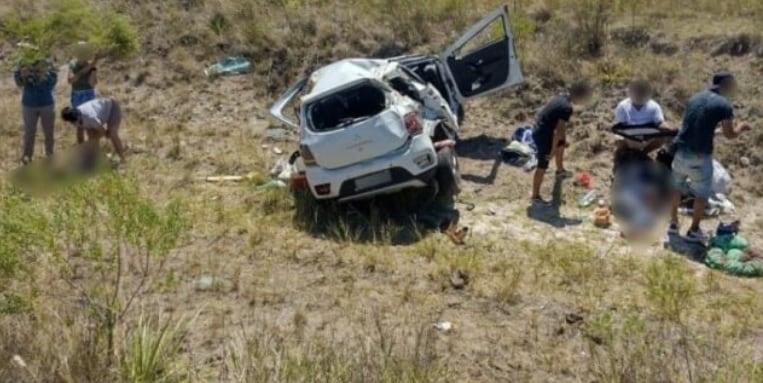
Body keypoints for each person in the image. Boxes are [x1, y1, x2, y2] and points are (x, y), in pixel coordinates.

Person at [668, 72, 752, 243]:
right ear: (726, 84)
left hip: (680, 151)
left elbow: (695, 127)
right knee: (701, 194)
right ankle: (693, 231)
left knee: (676, 188)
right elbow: (730, 134)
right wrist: (741, 127)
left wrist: (718, 132)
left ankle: (673, 224)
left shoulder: (695, 98)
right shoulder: (724, 105)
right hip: (700, 156)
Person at [531, 80, 593, 204]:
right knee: (542, 166)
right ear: (579, 95)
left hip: (542, 129)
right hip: (542, 135)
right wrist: (553, 151)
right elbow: (559, 131)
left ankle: (560, 171)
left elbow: (559, 131)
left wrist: (562, 141)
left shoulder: (561, 97)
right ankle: (535, 197)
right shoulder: (567, 108)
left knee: (562, 143)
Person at [13, 59, 58, 164]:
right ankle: (27, 158)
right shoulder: (22, 62)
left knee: (49, 132)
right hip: (29, 104)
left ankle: (49, 156)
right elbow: (19, 83)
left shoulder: (47, 61)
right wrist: (24, 76)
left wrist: (43, 74)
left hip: (46, 102)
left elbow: (53, 81)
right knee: (29, 132)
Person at [60, 97, 126, 163]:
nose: (73, 124)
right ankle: (96, 159)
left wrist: (92, 141)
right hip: (100, 115)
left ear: (77, 119)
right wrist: (82, 149)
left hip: (112, 108)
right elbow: (80, 137)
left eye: (73, 123)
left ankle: (123, 159)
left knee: (112, 134)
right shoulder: (76, 116)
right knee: (91, 135)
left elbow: (102, 131)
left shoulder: (90, 117)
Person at [614, 79, 671, 155]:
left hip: (647, 138)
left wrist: (666, 127)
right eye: (637, 92)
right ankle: (626, 154)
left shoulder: (654, 106)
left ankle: (643, 153)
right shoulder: (622, 106)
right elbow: (621, 126)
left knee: (663, 137)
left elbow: (659, 122)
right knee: (618, 139)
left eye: (642, 92)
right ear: (631, 93)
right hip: (629, 137)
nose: (639, 95)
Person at [68, 42, 100, 144]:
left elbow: (92, 84)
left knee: (91, 124)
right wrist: (88, 68)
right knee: (79, 124)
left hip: (89, 94)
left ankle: (93, 150)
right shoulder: (72, 64)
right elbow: (71, 80)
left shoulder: (91, 64)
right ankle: (81, 148)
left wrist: (93, 69)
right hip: (77, 95)